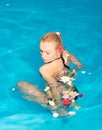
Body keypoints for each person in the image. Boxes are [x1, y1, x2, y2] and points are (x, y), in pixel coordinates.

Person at [17, 32, 83, 117]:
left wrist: (59, 107)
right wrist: (73, 73)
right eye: (41, 52)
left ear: (58, 51)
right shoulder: (66, 54)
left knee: (21, 84)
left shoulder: (44, 69)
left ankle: (52, 108)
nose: (43, 56)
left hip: (58, 102)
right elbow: (79, 65)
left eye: (47, 53)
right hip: (73, 93)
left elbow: (54, 88)